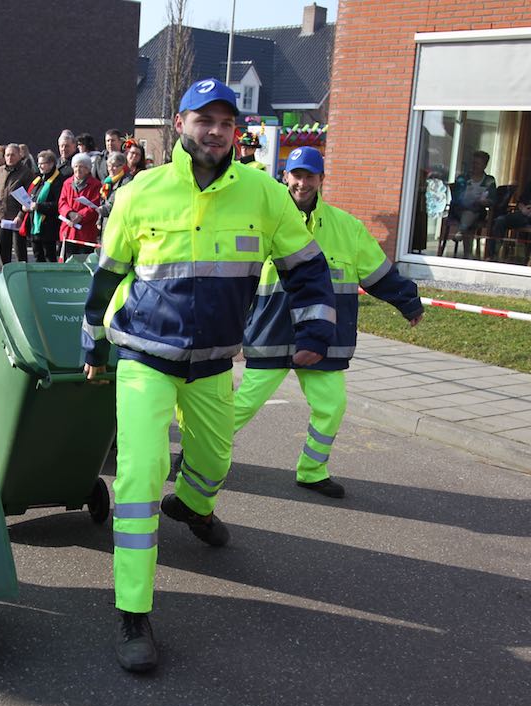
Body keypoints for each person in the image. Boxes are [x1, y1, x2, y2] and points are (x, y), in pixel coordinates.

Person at [81, 78, 336, 673]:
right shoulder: (140, 192)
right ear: (179, 124)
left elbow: (306, 267)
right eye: (204, 120)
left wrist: (315, 333)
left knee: (215, 462)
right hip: (145, 357)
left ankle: (194, 506)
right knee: (141, 475)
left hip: (215, 361)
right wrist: (92, 341)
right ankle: (133, 612)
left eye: (226, 122)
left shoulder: (263, 194)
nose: (216, 131)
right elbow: (107, 273)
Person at [235, 146, 423, 499]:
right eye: (296, 175)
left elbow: (378, 273)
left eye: (310, 176)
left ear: (322, 178)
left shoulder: (347, 227)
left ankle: (312, 471)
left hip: (322, 336)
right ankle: (198, 458)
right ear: (285, 177)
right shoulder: (262, 221)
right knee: (242, 406)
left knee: (332, 406)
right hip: (273, 329)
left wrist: (407, 302)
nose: (302, 183)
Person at [0, 143, 34, 267]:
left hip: (17, 218)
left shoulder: (26, 172)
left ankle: (22, 274)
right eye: (7, 155)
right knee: (2, 250)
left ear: (19, 155)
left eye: (13, 155)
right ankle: (4, 274)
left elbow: (30, 195)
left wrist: (21, 215)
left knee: (19, 251)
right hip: (1, 216)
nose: (9, 158)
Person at [448, 150, 496, 257]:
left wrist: (485, 201)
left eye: (478, 163)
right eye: (473, 163)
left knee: (473, 210)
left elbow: (493, 199)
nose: (474, 166)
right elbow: (456, 197)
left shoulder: (489, 180)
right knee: (470, 211)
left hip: (479, 210)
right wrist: (465, 197)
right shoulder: (462, 178)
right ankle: (467, 253)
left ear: (485, 165)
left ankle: (461, 232)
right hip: (460, 210)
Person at [57, 152, 102, 259]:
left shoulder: (96, 185)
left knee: (84, 261)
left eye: (82, 167)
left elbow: (95, 205)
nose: (78, 169)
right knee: (67, 261)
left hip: (85, 232)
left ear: (88, 169)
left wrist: (80, 216)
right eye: (76, 166)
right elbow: (62, 202)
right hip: (68, 230)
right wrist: (70, 213)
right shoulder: (67, 183)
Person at [22, 149, 64, 262]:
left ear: (51, 164)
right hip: (35, 226)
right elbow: (32, 196)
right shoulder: (39, 179)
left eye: (42, 163)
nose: (39, 166)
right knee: (37, 257)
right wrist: (26, 205)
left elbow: (58, 204)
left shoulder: (58, 181)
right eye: (39, 163)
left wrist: (38, 206)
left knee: (49, 257)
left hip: (48, 227)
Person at [97, 151, 129, 230]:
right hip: (106, 223)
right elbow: (103, 201)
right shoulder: (107, 181)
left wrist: (106, 209)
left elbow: (122, 203)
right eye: (109, 166)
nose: (110, 169)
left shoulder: (127, 181)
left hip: (118, 225)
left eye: (114, 166)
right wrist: (99, 220)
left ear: (122, 166)